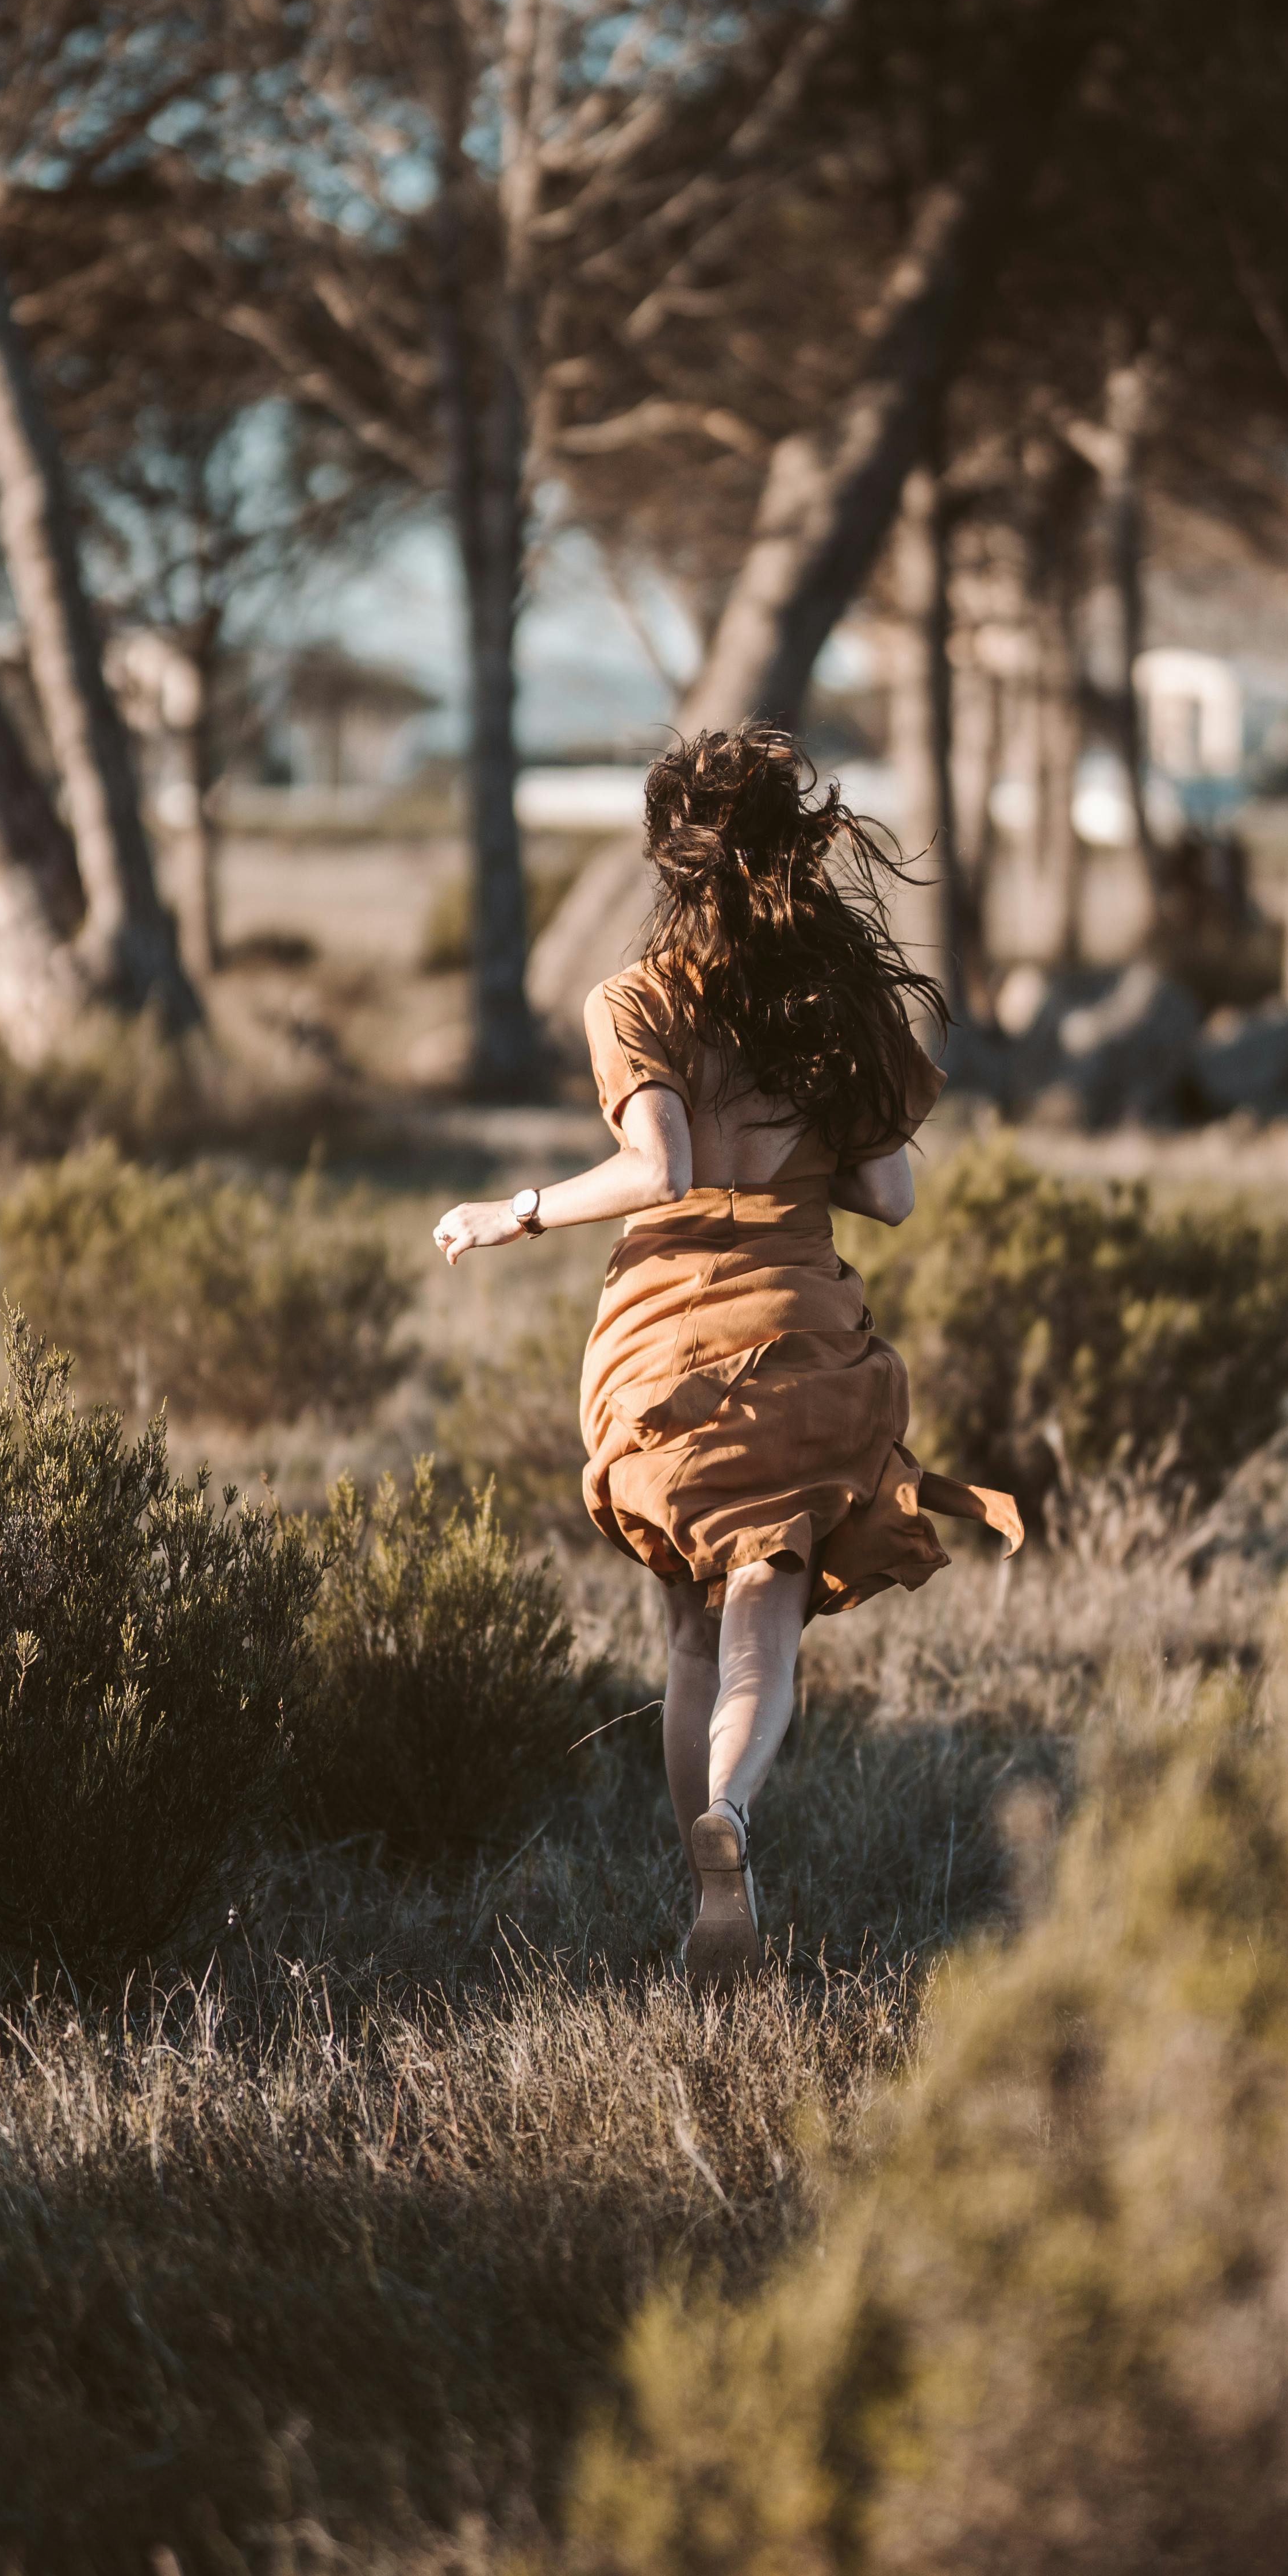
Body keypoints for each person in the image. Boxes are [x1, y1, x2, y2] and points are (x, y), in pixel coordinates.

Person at [433, 726, 1022, 1989]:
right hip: (799, 1330)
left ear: (668, 853)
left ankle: (704, 1868)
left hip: (664, 1342)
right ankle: (735, 1815)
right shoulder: (835, 1005)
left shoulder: (634, 998)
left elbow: (659, 1171)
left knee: (684, 1626)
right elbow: (892, 1198)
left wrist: (514, 1210)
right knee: (767, 1601)